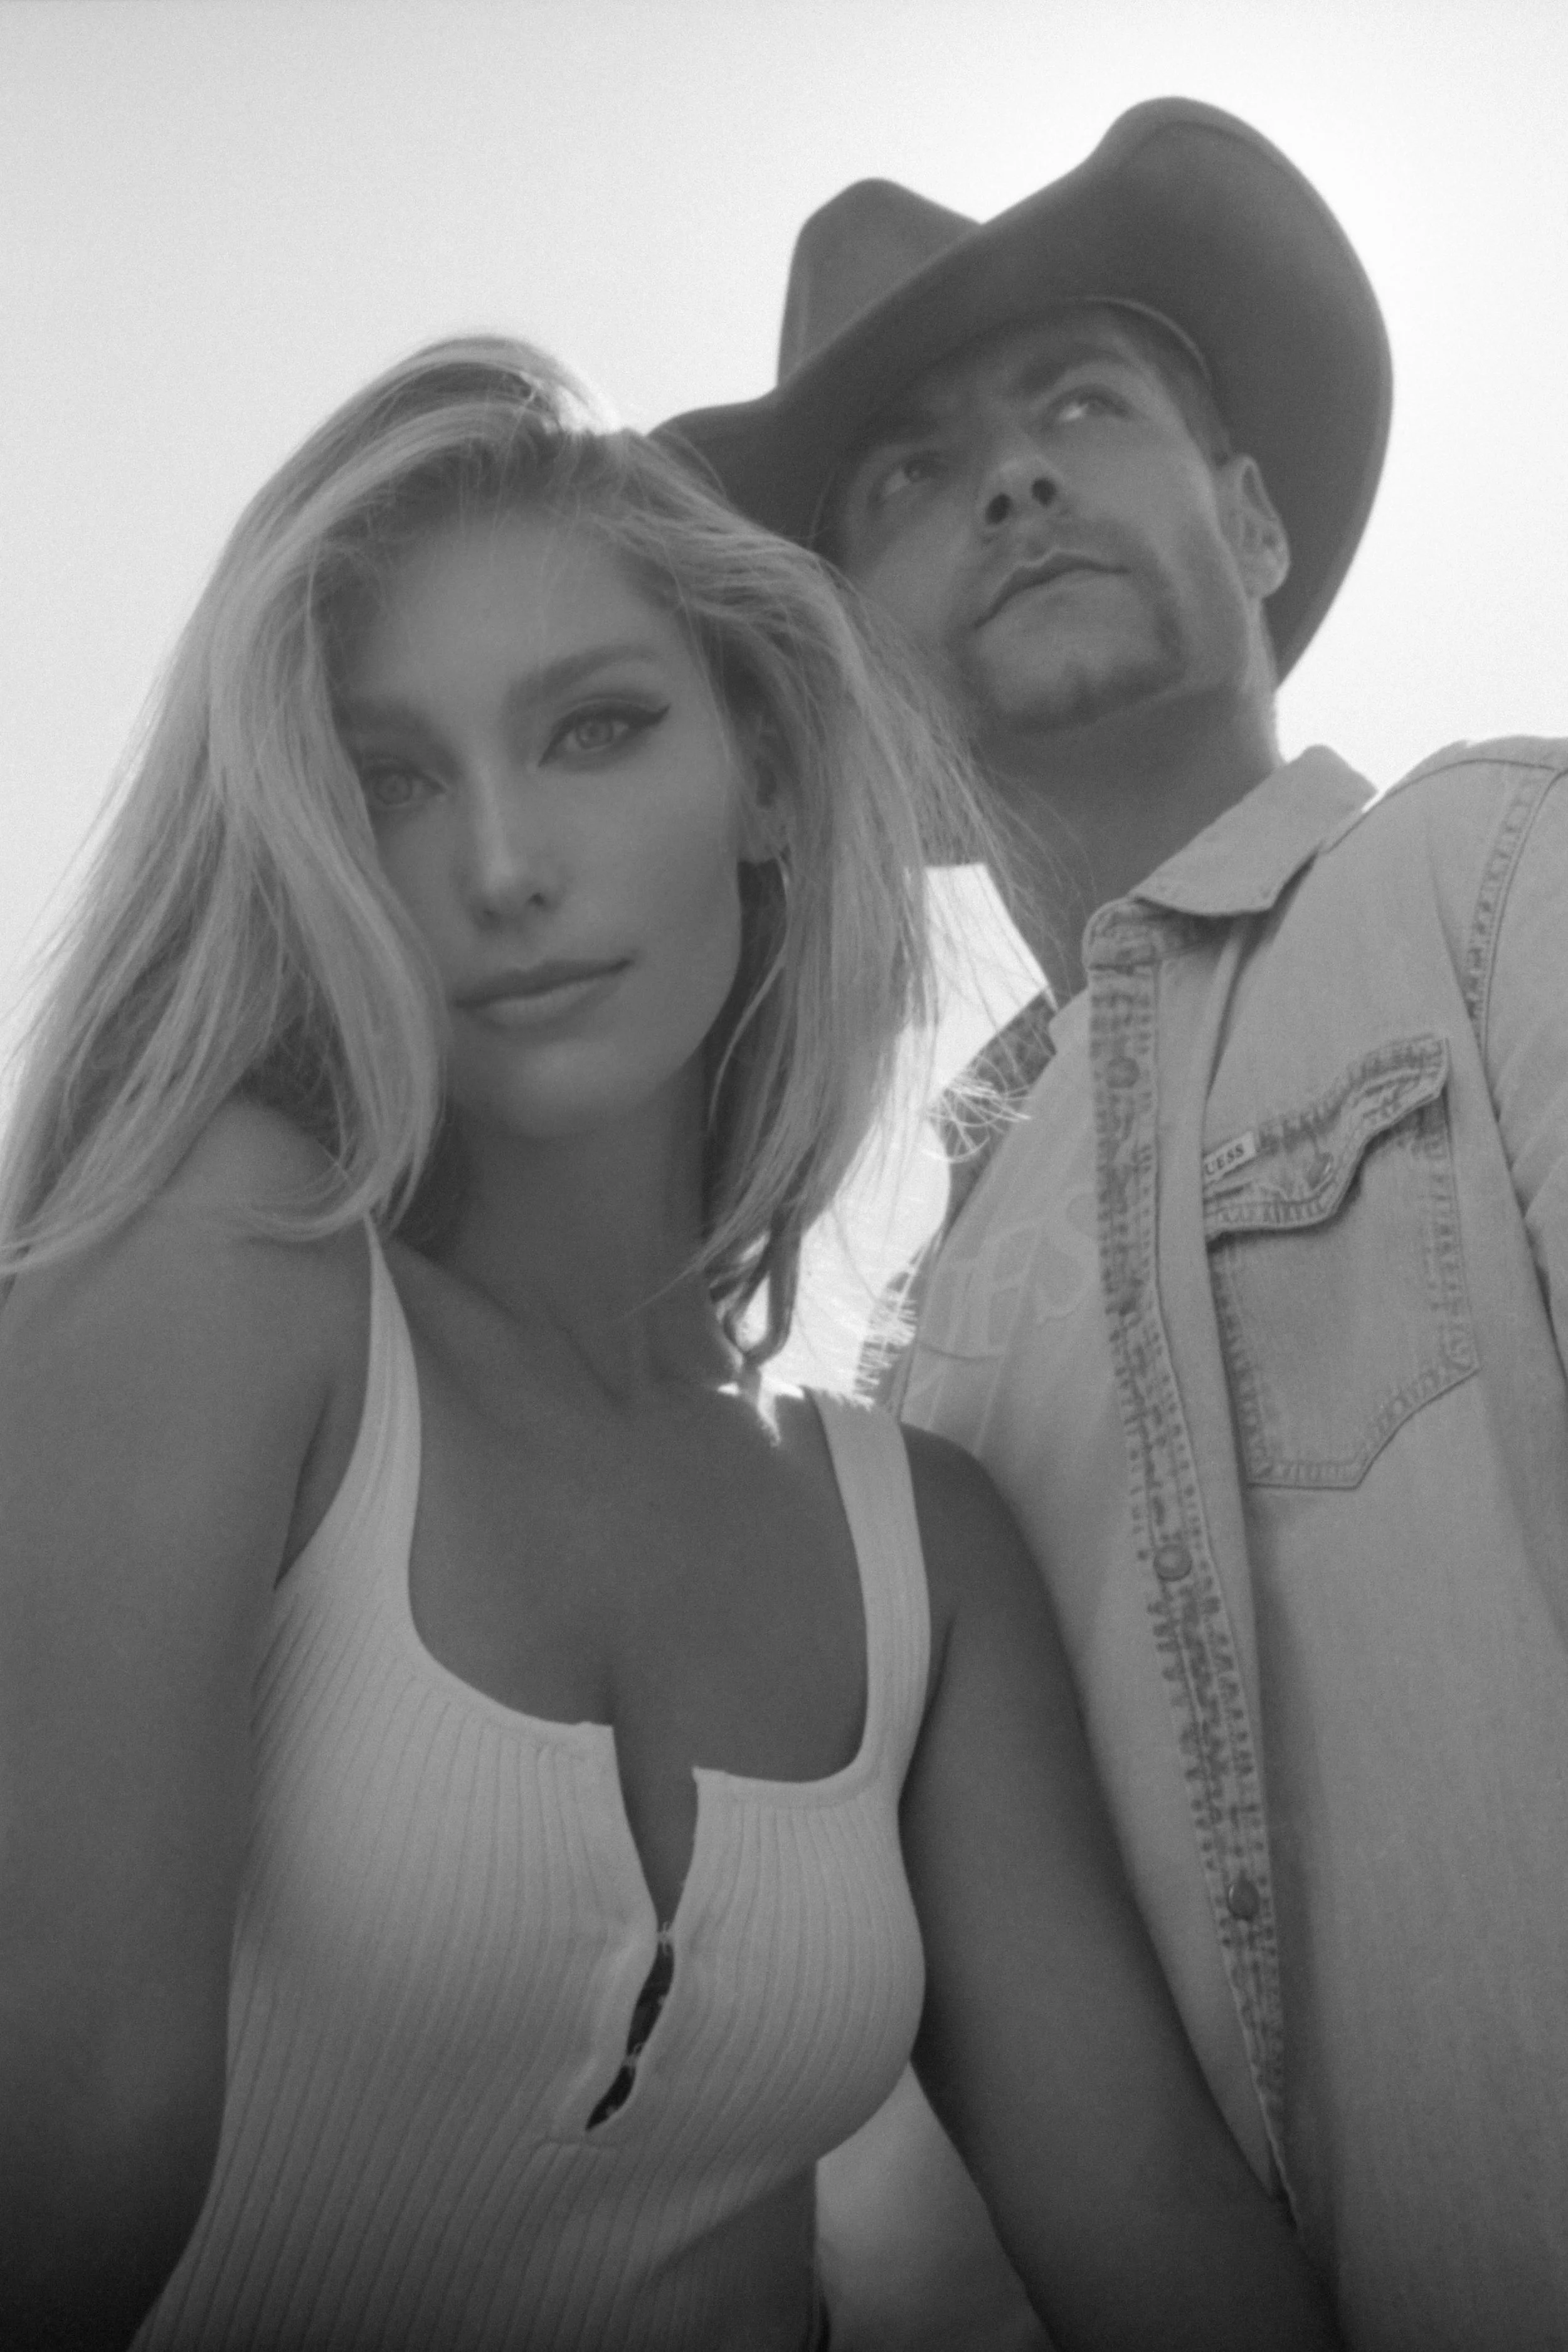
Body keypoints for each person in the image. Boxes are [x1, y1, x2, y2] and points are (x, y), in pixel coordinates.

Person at [0, 338, 1343, 2352]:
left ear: (768, 779)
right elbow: (61, 2157)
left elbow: (1150, 2221)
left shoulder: (923, 1541)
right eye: (390, 778)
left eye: (597, 727)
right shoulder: (221, 1273)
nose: (502, 865)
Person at [664, 94, 1568, 2352]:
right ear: (849, 676)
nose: (1013, 482)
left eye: (1080, 405)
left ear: (1249, 517)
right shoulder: (905, 1360)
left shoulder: (1499, 883)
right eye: (908, 477)